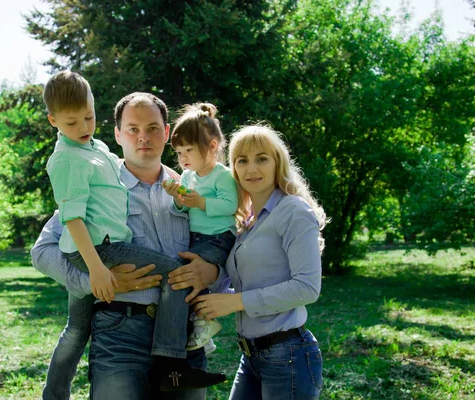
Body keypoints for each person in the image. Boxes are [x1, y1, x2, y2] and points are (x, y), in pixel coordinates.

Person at [31, 91, 230, 400]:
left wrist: (212, 271)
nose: (143, 138)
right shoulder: (99, 183)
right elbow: (42, 252)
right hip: (120, 333)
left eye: (152, 128)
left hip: (184, 338)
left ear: (166, 134)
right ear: (117, 135)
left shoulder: (190, 188)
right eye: (133, 129)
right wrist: (95, 281)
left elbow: (222, 239)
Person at [191, 125, 327, 399]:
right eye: (242, 160)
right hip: (251, 357)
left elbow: (307, 288)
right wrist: (216, 293)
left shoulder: (293, 210)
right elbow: (254, 284)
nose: (251, 168)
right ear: (234, 169)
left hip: (288, 356)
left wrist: (235, 302)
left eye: (261, 158)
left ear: (278, 163)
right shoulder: (246, 222)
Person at [162, 103, 238, 350]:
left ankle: (206, 319)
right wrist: (177, 197)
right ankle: (202, 322)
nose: (182, 158)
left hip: (218, 237)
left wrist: (201, 201)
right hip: (197, 236)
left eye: (188, 151)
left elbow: (230, 204)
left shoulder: (222, 175)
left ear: (212, 147)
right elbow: (185, 208)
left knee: (192, 273)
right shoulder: (187, 176)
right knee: (185, 273)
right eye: (179, 152)